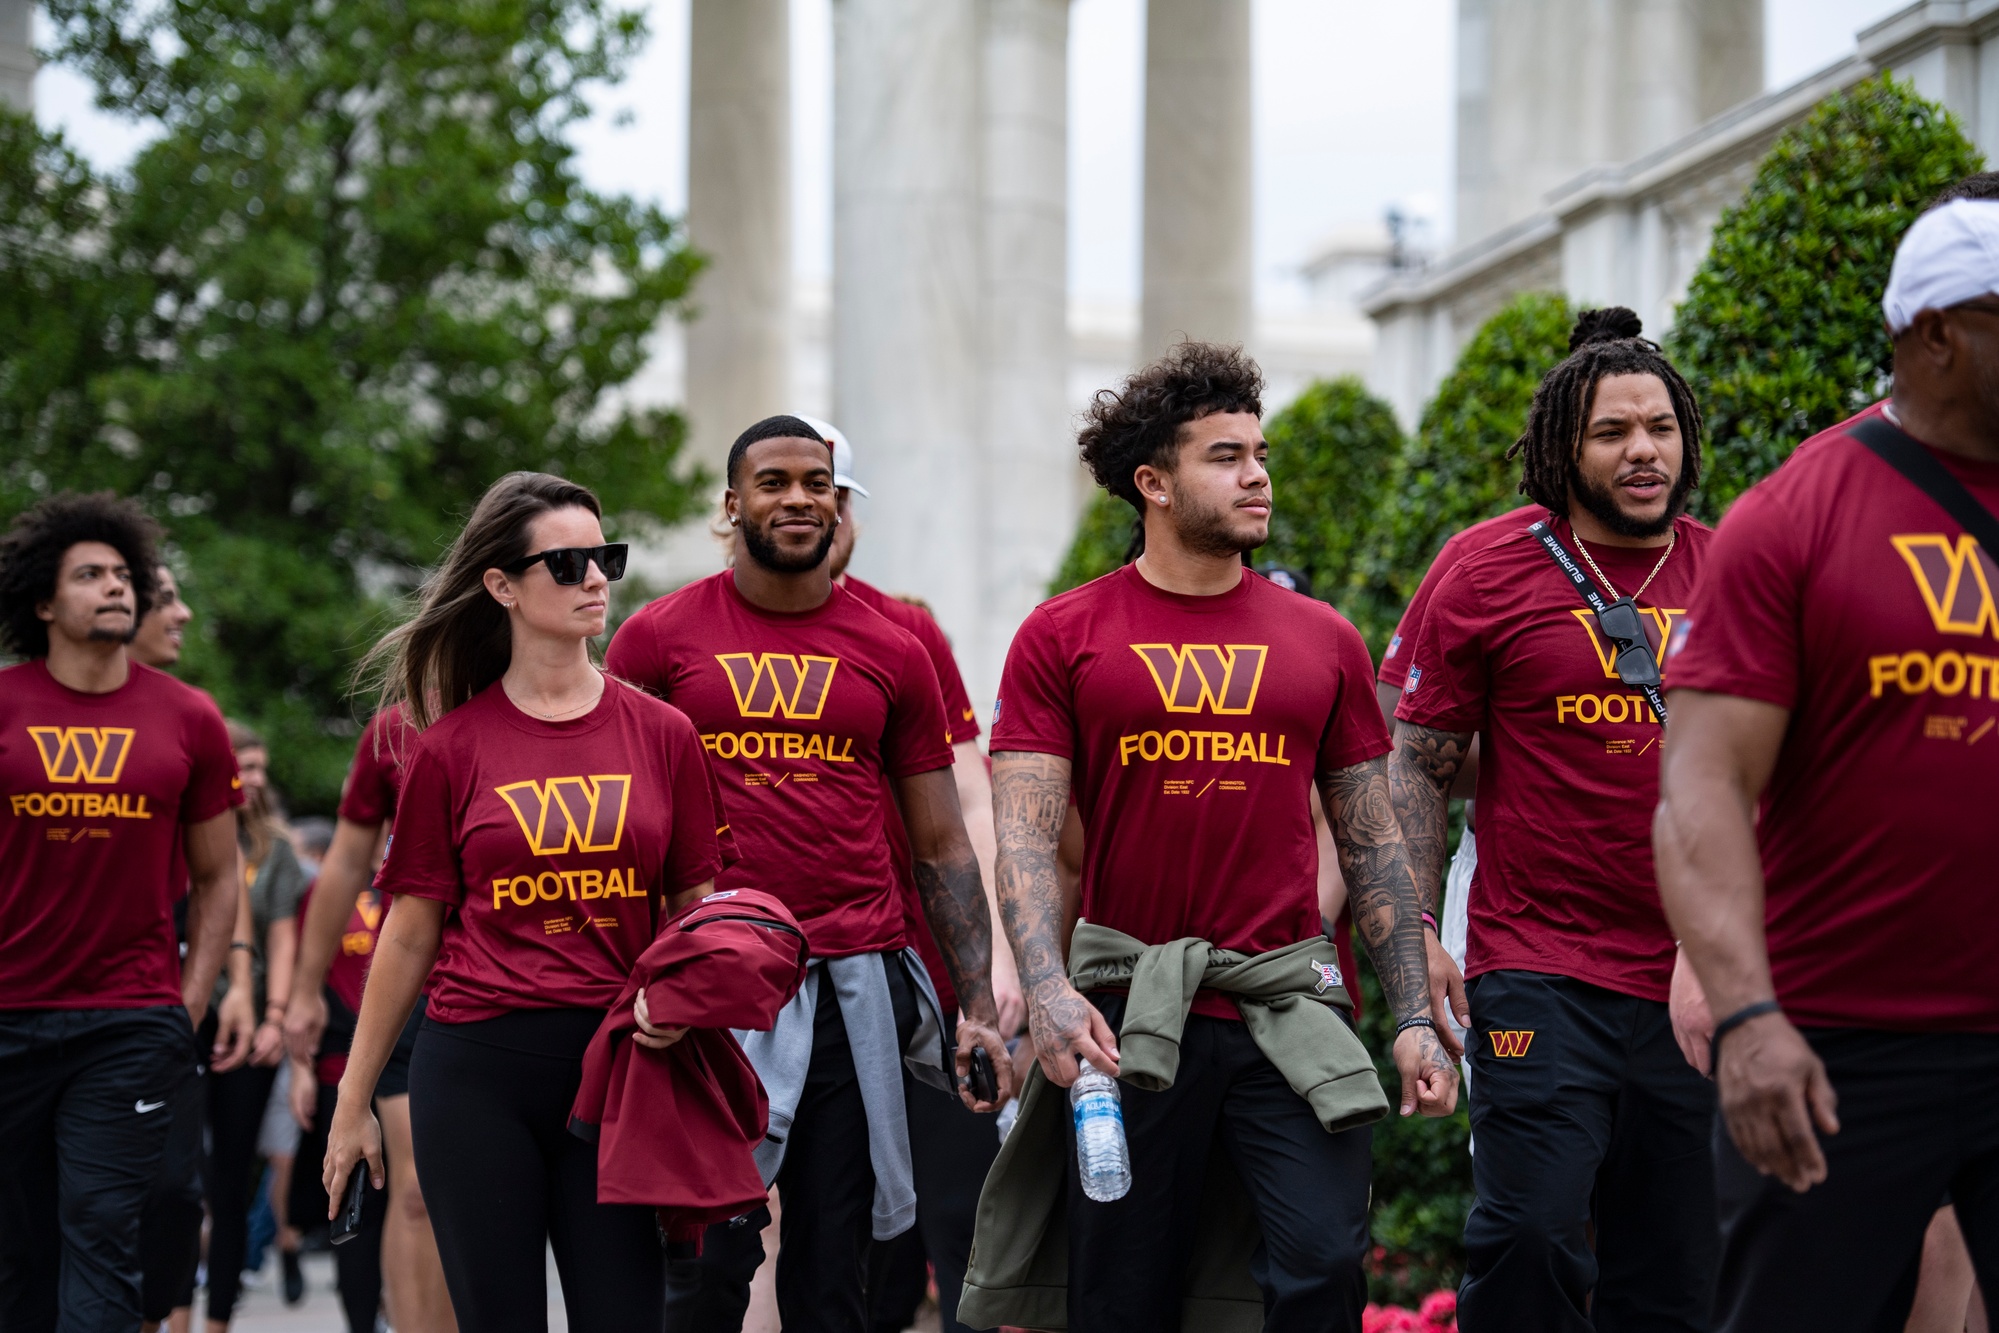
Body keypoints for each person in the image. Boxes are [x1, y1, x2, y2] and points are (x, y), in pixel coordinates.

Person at [983, 342, 1454, 1333]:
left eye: (1260, 453)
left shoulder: (1321, 636)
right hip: (1123, 1013)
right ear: (1152, 482)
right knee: (1122, 1293)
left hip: (1285, 1005)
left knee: (1321, 1263)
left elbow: (1370, 841)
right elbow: (1023, 837)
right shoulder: (1062, 634)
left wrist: (1411, 1008)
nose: (1257, 476)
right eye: (1225, 456)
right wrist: (1048, 990)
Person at [1654, 197, 1999, 1330]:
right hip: (1838, 1049)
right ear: (1939, 332)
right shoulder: (1797, 516)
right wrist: (1747, 1020)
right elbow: (1700, 788)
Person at [604, 415, 1015, 1333]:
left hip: (851, 981)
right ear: (731, 504)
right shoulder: (655, 641)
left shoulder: (893, 649)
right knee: (704, 1263)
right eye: (774, 482)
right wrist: (644, 980)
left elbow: (942, 845)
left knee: (836, 1271)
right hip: (710, 990)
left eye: (816, 484)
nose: (798, 499)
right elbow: (623, 830)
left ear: (838, 502)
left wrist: (977, 1005)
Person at [323, 470, 733, 1333]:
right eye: (568, 562)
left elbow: (695, 906)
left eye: (605, 557)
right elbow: (409, 935)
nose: (595, 579)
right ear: (501, 586)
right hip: (476, 1070)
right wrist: (353, 1100)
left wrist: (685, 1004)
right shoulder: (446, 750)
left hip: (621, 1067)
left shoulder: (663, 734)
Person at [1387, 308, 1717, 1331]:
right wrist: (1417, 935)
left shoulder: (1734, 567)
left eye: (1658, 427)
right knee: (1527, 1233)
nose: (1641, 450)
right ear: (1561, 448)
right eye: (1611, 431)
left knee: (1674, 1271)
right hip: (1540, 961)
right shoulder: (1485, 568)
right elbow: (1416, 769)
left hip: (1695, 976)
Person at [798, 414, 1021, 1333]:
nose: (822, 511)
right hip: (773, 985)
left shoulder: (906, 632)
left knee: (958, 1221)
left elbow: (972, 800)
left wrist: (999, 963)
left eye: (836, 494)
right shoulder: (681, 635)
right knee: (822, 1240)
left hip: (921, 982)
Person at [0, 493, 242, 1332]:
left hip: (130, 1023)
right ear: (42, 601)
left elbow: (218, 876)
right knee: (19, 1255)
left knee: (104, 1233)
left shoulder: (189, 717)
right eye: (88, 574)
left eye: (123, 574)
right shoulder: (4, 705)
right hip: (9, 1015)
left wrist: (190, 1002)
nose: (115, 587)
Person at [284, 703, 456, 1333]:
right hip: (417, 992)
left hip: (535, 991)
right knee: (416, 1192)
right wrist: (303, 990)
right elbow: (346, 865)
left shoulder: (579, 702)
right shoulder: (397, 728)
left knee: (493, 1203)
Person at [204, 720, 308, 1330]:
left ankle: (219, 1314)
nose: (258, 778)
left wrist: (276, 1018)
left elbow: (283, 938)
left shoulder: (276, 848)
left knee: (232, 1175)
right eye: (247, 765)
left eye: (263, 767)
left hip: (253, 1028)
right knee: (176, 1181)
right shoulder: (184, 833)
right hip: (185, 1017)